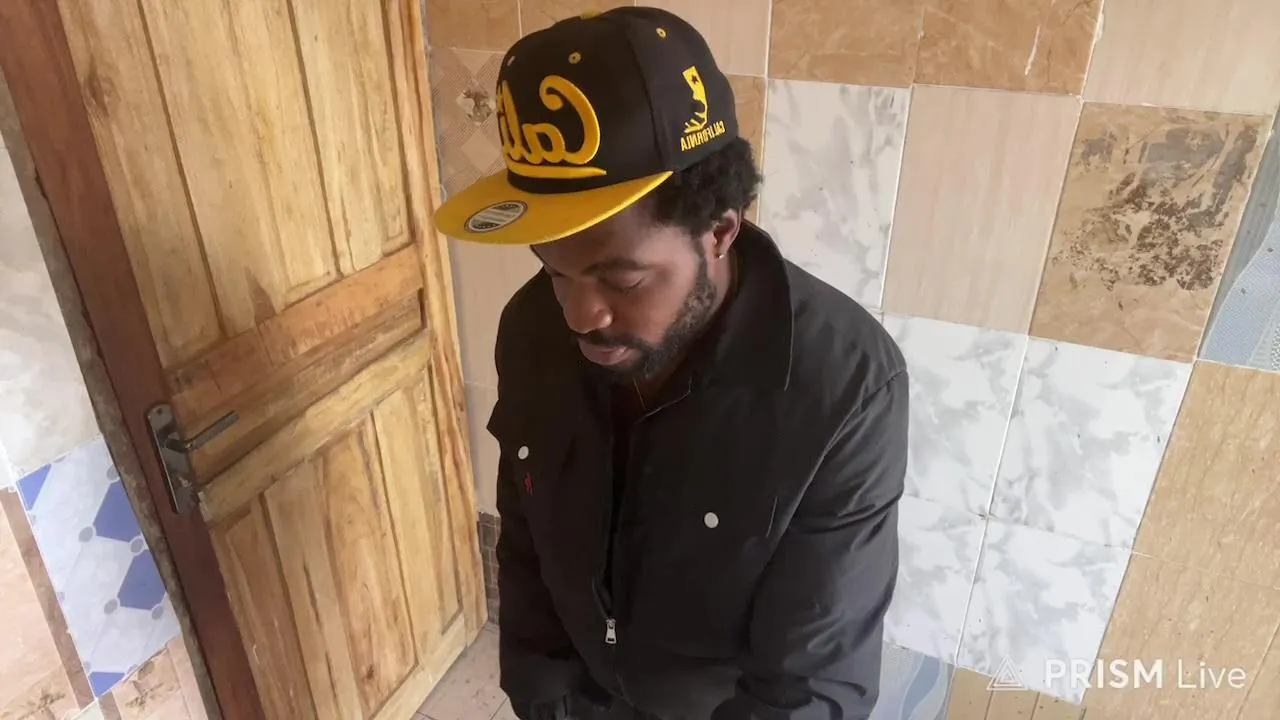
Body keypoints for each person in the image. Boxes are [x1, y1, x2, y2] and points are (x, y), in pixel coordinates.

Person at [432, 6, 908, 719]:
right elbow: (527, 546)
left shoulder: (843, 387)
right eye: (554, 270)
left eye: (622, 280)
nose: (579, 316)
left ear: (719, 230)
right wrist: (545, 703)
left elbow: (809, 685)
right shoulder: (531, 327)